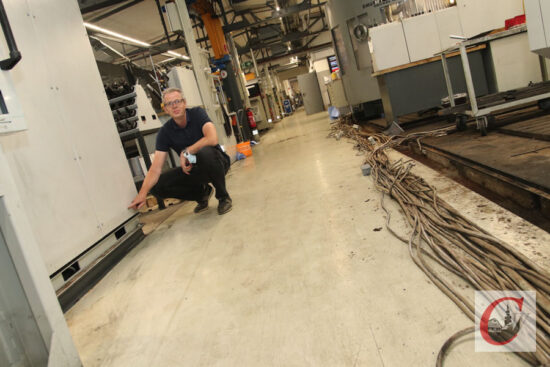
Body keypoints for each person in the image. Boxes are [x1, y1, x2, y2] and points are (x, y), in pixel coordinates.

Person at [128, 88, 232, 215]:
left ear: (184, 103)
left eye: (177, 101)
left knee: (204, 153)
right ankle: (202, 194)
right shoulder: (165, 132)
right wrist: (142, 194)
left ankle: (223, 197)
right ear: (165, 109)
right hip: (193, 167)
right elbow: (155, 168)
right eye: (169, 104)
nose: (174, 105)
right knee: (156, 187)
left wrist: (186, 152)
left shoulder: (197, 114)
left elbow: (212, 138)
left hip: (216, 161)